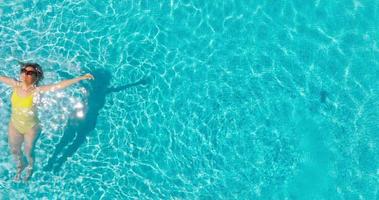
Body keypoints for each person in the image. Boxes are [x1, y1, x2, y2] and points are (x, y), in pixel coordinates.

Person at [0, 62, 94, 182]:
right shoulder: (15, 85)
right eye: (23, 71)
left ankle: (30, 167)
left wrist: (81, 78)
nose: (25, 74)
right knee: (14, 150)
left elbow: (59, 85)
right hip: (14, 125)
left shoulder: (37, 91)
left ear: (36, 77)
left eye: (29, 73)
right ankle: (21, 165)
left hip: (31, 128)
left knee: (28, 152)